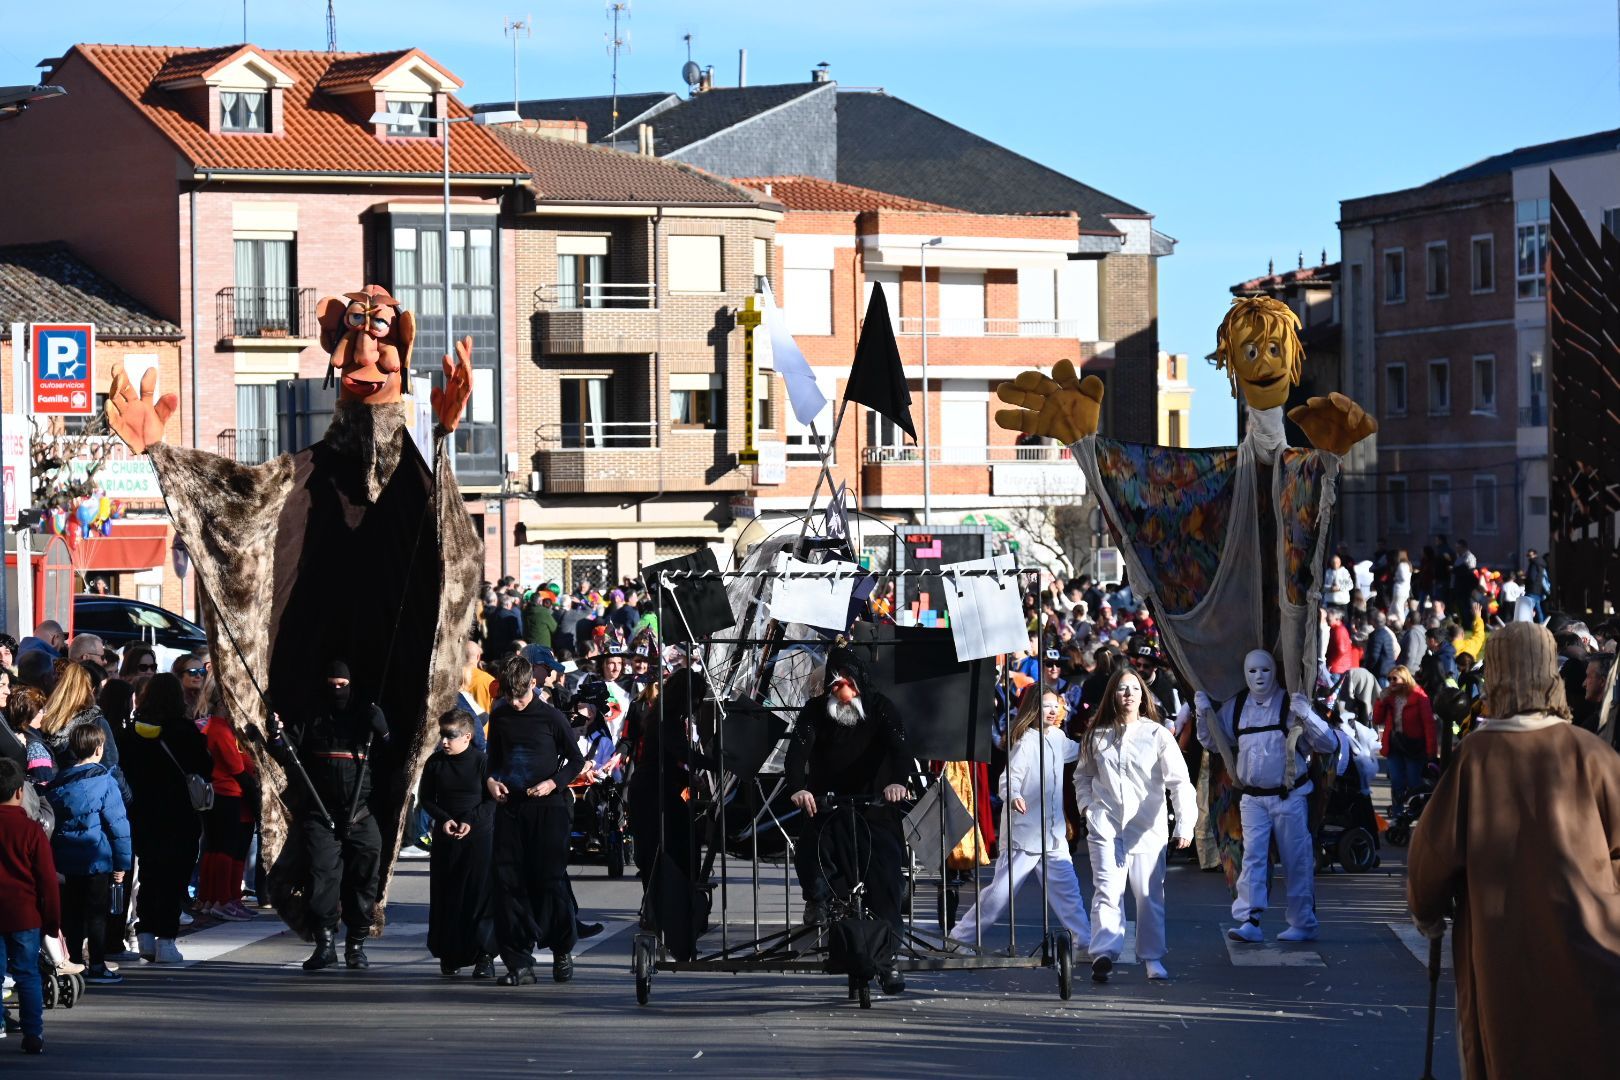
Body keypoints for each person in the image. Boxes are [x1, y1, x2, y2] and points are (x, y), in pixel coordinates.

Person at [1408, 622, 1620, 1080]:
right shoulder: (1594, 754)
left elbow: (1430, 859)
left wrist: (1427, 912)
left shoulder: (1476, 757)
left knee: (1510, 1051)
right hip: (1596, 945)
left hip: (1502, 949)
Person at [787, 644, 912, 995]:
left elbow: (901, 749)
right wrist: (799, 789)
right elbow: (796, 755)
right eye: (834, 687)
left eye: (846, 687)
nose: (841, 696)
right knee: (813, 854)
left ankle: (887, 961)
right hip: (828, 808)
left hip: (875, 808)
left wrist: (897, 784)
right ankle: (820, 905)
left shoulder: (881, 709)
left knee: (887, 881)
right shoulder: (815, 711)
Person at [1196, 649, 1339, 943]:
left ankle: (1303, 922)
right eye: (1252, 671)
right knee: (1253, 859)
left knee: (1296, 859)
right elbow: (1213, 740)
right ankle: (1251, 920)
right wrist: (1202, 715)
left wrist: (1308, 715)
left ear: (1274, 671)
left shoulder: (1288, 704)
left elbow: (1328, 743)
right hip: (1252, 798)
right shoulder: (1237, 707)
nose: (1259, 677)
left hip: (1290, 795)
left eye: (1264, 670)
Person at [266, 660, 388, 972]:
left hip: (360, 813)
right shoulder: (313, 717)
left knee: (365, 877)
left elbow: (393, 757)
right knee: (322, 879)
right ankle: (325, 944)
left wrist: (383, 729)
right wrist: (276, 735)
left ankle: (356, 946)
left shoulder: (365, 716)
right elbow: (287, 752)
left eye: (342, 685)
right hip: (321, 813)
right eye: (331, 684)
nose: (337, 691)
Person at [1076, 667, 1195, 982]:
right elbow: (1083, 777)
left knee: (1147, 895)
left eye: (1134, 689)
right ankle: (1103, 952)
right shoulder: (1096, 735)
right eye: (1122, 689)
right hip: (1105, 825)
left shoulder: (1156, 735)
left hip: (1147, 829)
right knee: (1107, 891)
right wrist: (1088, 808)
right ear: (1112, 695)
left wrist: (1185, 824)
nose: (1128, 694)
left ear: (1143, 696)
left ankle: (1152, 957)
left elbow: (1179, 782)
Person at [950, 691, 1089, 953]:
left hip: (1053, 834)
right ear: (1034, 709)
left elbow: (1081, 751)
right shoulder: (1025, 743)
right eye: (1046, 706)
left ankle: (1085, 941)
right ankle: (960, 938)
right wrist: (1013, 795)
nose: (1051, 711)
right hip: (1024, 835)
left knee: (1068, 894)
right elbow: (1008, 779)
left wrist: (1099, 739)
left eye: (1055, 706)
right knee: (999, 895)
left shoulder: (1058, 738)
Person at [485, 654, 583, 986]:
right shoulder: (500, 716)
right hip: (511, 808)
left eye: (521, 695)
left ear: (534, 684)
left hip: (547, 809)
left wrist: (554, 782)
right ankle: (518, 962)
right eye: (508, 696)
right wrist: (491, 781)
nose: (515, 702)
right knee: (508, 883)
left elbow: (576, 760)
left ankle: (561, 950)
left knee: (548, 881)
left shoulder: (552, 717)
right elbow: (493, 760)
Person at [119, 674, 211, 964]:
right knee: (174, 877)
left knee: (148, 872)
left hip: (142, 813)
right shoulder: (185, 731)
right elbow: (205, 766)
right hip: (179, 814)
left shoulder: (133, 731)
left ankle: (145, 933)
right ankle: (166, 939)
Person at [44, 723, 131, 985]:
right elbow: (118, 826)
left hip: (67, 860)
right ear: (99, 748)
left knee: (71, 913)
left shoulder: (59, 783)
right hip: (97, 858)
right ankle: (97, 964)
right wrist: (122, 862)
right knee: (96, 915)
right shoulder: (105, 782)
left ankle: (74, 963)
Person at [421, 709, 497, 979]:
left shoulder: (482, 762)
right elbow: (427, 799)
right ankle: (450, 953)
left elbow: (491, 801)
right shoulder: (435, 763)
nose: (444, 741)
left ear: (467, 736)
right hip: (447, 837)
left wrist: (471, 822)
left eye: (450, 736)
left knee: (479, 897)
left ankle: (484, 955)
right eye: (442, 735)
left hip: (478, 838)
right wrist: (443, 820)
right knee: (447, 897)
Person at [0, 758, 59, 1055]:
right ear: (20, 792)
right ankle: (33, 1032)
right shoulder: (31, 831)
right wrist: (51, 920)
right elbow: (47, 880)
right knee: (27, 974)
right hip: (24, 913)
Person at [195, 677, 258, 922]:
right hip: (228, 793)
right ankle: (222, 898)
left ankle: (218, 897)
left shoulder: (219, 725)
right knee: (226, 849)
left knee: (222, 848)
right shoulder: (219, 726)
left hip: (230, 795)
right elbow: (236, 765)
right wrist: (253, 787)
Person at [1374, 666, 1435, 815]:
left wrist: (1431, 752)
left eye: (1395, 678)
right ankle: (1397, 812)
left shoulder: (1419, 696)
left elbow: (1429, 724)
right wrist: (1381, 701)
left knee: (1414, 782)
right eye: (1389, 679)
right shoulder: (1389, 697)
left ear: (1405, 679)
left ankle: (1416, 811)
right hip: (1395, 745)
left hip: (1414, 746)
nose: (1391, 682)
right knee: (1396, 781)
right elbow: (1377, 719)